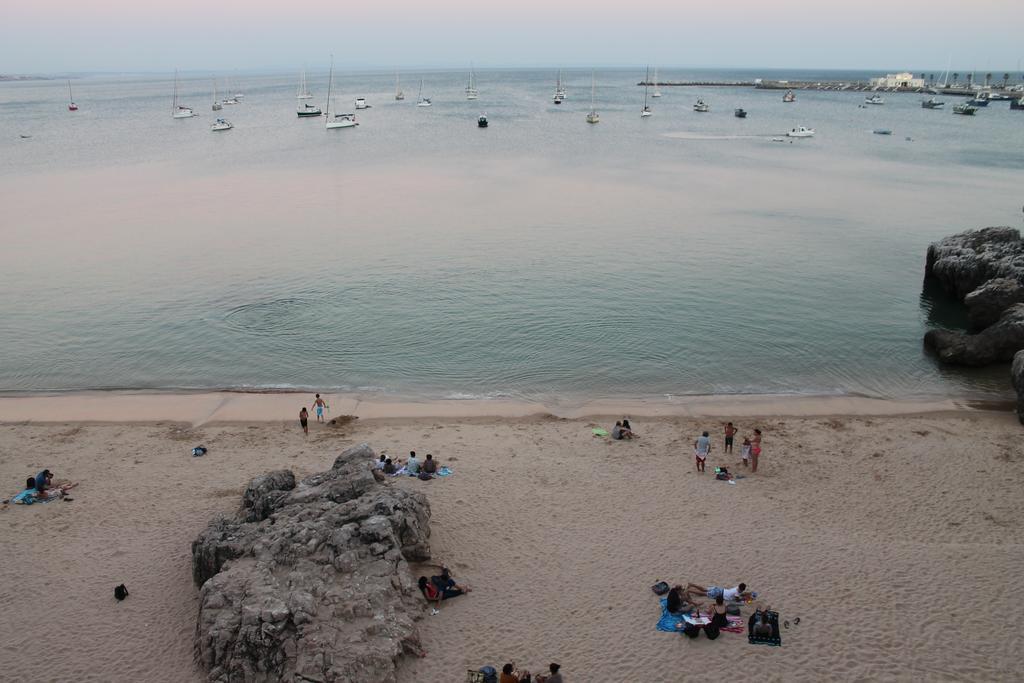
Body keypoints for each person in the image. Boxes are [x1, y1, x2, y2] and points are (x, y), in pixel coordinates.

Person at [684, 582, 752, 602]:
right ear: (742, 589)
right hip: (719, 594)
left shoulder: (737, 587)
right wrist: (745, 598)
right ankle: (690, 590)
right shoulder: (737, 593)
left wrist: (748, 593)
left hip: (720, 589)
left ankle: (692, 584)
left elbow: (741, 593)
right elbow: (738, 599)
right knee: (703, 593)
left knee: (704, 589)